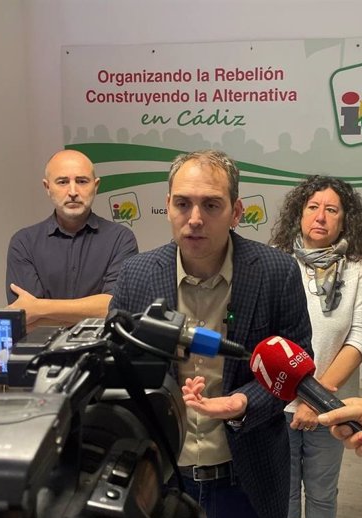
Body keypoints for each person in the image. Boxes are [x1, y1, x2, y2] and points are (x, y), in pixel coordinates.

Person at [109, 150, 313, 518]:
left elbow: (296, 364)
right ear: (167, 206)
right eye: (183, 204)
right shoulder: (136, 275)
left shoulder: (275, 273)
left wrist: (244, 403)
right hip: (161, 478)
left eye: (211, 205)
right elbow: (120, 370)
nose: (195, 219)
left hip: (247, 477)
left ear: (236, 212)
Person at [268, 175, 362, 518]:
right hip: (277, 403)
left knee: (321, 495)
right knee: (282, 496)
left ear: (345, 219)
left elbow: (359, 339)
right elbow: (267, 337)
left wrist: (316, 400)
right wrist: (298, 399)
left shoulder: (360, 271)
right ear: (298, 214)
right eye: (313, 207)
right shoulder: (274, 262)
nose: (320, 217)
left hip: (333, 404)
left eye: (332, 209)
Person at [6, 149, 138, 328]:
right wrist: (92, 310)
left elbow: (114, 309)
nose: (73, 191)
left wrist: (38, 308)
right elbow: (27, 319)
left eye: (82, 181)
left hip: (103, 352)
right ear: (47, 187)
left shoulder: (121, 239)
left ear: (96, 186)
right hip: (42, 353)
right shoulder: (23, 243)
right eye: (62, 182)